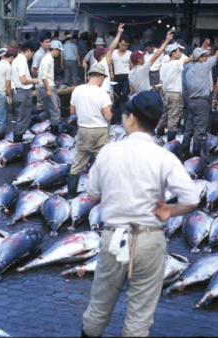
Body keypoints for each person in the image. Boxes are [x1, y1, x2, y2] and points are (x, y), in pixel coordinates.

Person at [80, 90, 200, 337]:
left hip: (114, 237)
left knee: (99, 306)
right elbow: (192, 198)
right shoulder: (164, 156)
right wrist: (171, 210)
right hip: (149, 238)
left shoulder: (109, 152)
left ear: (131, 119)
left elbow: (92, 195)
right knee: (139, 315)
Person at [180, 33, 218, 159]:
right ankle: (195, 157)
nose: (207, 57)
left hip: (191, 101)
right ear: (200, 58)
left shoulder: (188, 69)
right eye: (204, 56)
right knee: (200, 130)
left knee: (189, 128)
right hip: (201, 102)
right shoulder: (204, 66)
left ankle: (183, 152)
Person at [66, 63, 112, 199]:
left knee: (78, 163)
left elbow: (72, 112)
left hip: (83, 129)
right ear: (101, 77)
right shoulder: (102, 93)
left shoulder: (77, 90)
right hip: (99, 131)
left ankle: (71, 194)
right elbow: (108, 116)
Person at [156, 43, 193, 141]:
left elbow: (160, 81)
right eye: (177, 51)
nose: (179, 53)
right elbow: (190, 59)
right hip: (175, 93)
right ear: (172, 53)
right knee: (173, 117)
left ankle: (159, 133)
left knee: (165, 114)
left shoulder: (164, 64)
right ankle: (170, 140)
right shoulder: (175, 63)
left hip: (166, 92)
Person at [128, 30, 173, 96]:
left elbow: (132, 89)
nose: (144, 58)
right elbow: (157, 54)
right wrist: (167, 40)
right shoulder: (143, 68)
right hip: (146, 95)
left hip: (137, 97)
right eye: (142, 57)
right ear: (139, 60)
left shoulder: (130, 73)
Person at [12, 42, 38, 143]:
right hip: (23, 92)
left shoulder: (16, 60)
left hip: (17, 92)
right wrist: (34, 80)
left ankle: (17, 139)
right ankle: (18, 142)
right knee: (23, 119)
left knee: (20, 118)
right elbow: (23, 80)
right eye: (32, 53)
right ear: (28, 51)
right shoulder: (22, 61)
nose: (32, 56)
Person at [38, 40, 64, 135]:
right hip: (47, 87)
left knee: (51, 110)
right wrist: (48, 89)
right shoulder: (47, 60)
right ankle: (54, 134)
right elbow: (44, 77)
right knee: (55, 112)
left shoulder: (50, 59)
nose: (59, 53)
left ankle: (45, 128)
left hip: (47, 86)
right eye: (58, 50)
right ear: (54, 49)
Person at [111, 34, 132, 124]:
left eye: (126, 45)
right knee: (115, 98)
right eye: (122, 45)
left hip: (126, 77)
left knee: (124, 97)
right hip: (116, 76)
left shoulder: (129, 54)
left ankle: (123, 119)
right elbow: (110, 63)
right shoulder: (114, 52)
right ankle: (116, 119)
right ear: (119, 43)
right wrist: (111, 73)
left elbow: (131, 67)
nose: (124, 47)